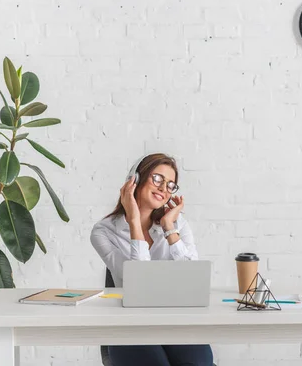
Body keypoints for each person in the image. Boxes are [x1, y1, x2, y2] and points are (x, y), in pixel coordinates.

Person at [90, 153, 214, 366]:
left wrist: (168, 227)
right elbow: (137, 280)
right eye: (157, 179)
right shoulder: (103, 231)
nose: (163, 188)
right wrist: (134, 221)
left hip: (177, 322)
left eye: (170, 185)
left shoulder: (178, 224)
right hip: (130, 326)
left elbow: (193, 277)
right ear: (135, 180)